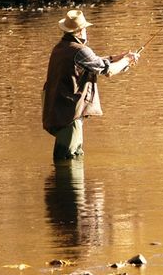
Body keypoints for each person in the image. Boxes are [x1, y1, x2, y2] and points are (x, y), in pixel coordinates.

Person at [42, 9, 140, 164]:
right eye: (85, 28)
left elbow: (93, 62)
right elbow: (108, 71)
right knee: (68, 158)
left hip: (59, 111)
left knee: (69, 157)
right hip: (70, 115)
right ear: (81, 31)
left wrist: (118, 57)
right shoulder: (80, 50)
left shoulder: (61, 47)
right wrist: (127, 60)